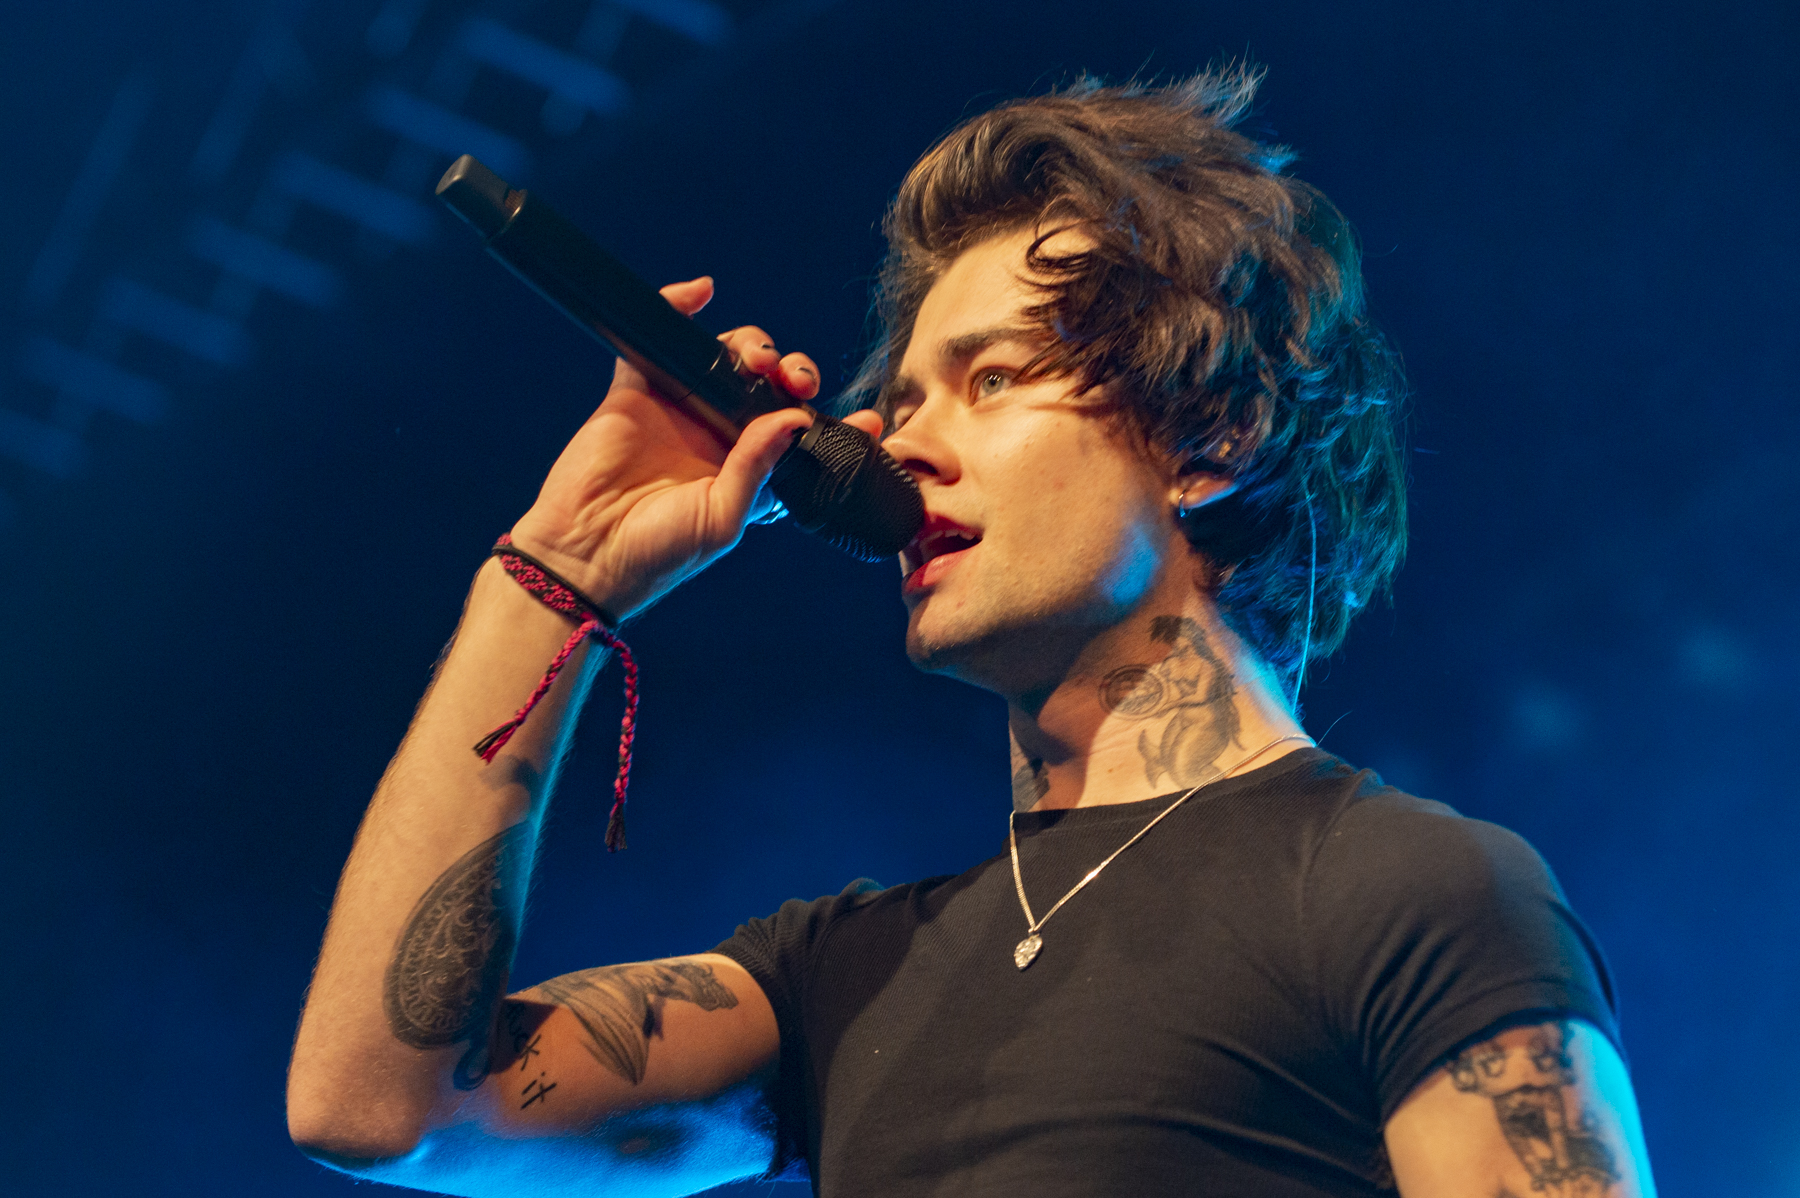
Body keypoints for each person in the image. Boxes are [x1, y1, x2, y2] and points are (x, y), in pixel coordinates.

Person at [287, 70, 1656, 1197]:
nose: (901, 444)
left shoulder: (1412, 892)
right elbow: (382, 1107)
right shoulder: (841, 977)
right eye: (902, 401)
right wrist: (555, 578)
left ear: (1213, 436)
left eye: (990, 378)